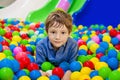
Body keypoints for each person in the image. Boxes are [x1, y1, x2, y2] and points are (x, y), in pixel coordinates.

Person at [36, 10, 78, 80]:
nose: (57, 37)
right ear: (47, 32)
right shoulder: (41, 46)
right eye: (53, 32)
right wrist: (45, 73)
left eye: (63, 33)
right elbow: (39, 67)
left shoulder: (73, 45)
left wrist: (67, 73)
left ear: (69, 33)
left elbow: (73, 66)